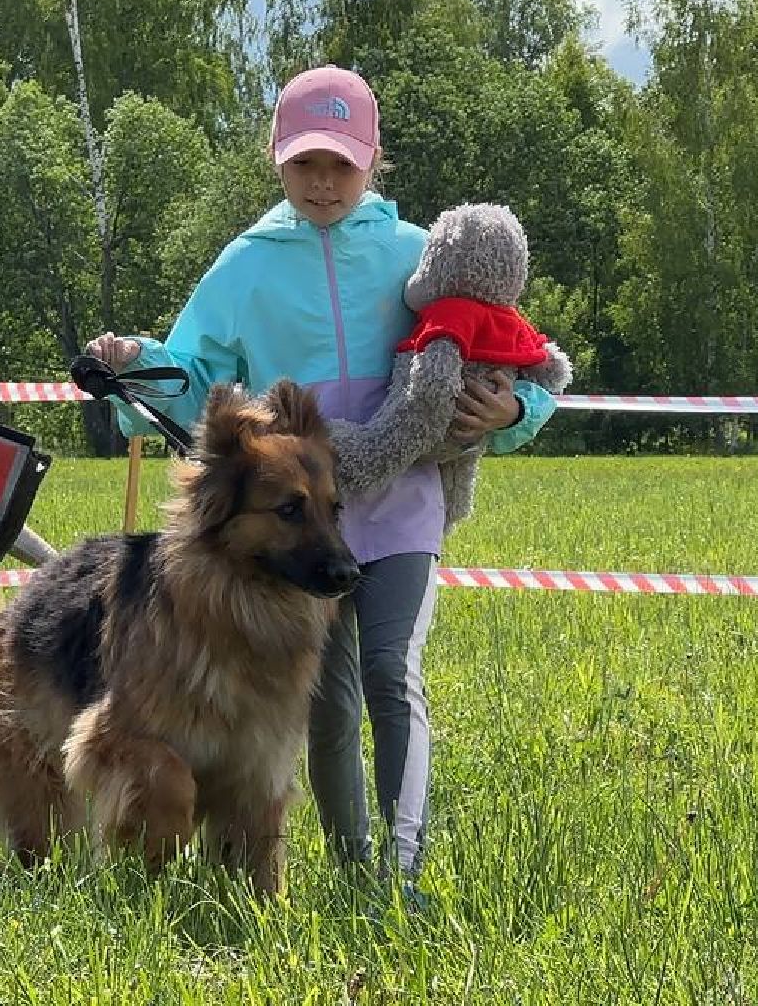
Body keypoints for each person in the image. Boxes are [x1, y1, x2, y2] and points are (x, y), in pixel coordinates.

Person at [84, 65, 556, 894]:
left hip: (404, 506)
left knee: (389, 672)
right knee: (328, 704)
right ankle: (351, 871)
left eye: (342, 163)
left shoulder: (422, 256)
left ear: (373, 160)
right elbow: (193, 384)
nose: (324, 182)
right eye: (306, 163)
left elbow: (529, 366)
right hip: (296, 529)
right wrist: (136, 364)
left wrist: (513, 413)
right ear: (276, 159)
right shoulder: (243, 266)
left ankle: (401, 872)